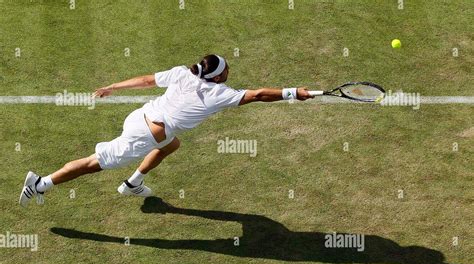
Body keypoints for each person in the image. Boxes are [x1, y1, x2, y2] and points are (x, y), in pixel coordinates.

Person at [19, 54, 314, 207]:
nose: (228, 73)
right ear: (218, 75)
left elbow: (148, 80)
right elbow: (260, 94)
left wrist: (114, 87)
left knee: (171, 145)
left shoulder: (182, 72)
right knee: (94, 163)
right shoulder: (219, 94)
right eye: (226, 71)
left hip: (141, 116)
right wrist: (292, 92)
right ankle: (40, 183)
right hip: (142, 136)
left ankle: (133, 183)